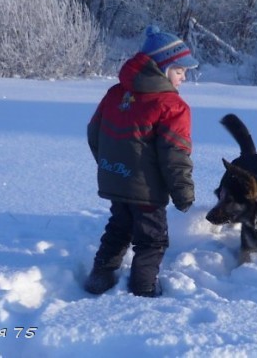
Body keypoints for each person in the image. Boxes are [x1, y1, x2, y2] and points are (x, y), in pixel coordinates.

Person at [84, 25, 198, 297]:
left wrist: (109, 164)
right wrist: (183, 192)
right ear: (162, 68)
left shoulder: (115, 93)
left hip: (115, 178)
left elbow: (94, 132)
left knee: (119, 228)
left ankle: (100, 277)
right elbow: (175, 155)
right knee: (152, 239)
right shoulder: (172, 106)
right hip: (147, 191)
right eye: (180, 71)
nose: (183, 78)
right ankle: (143, 287)